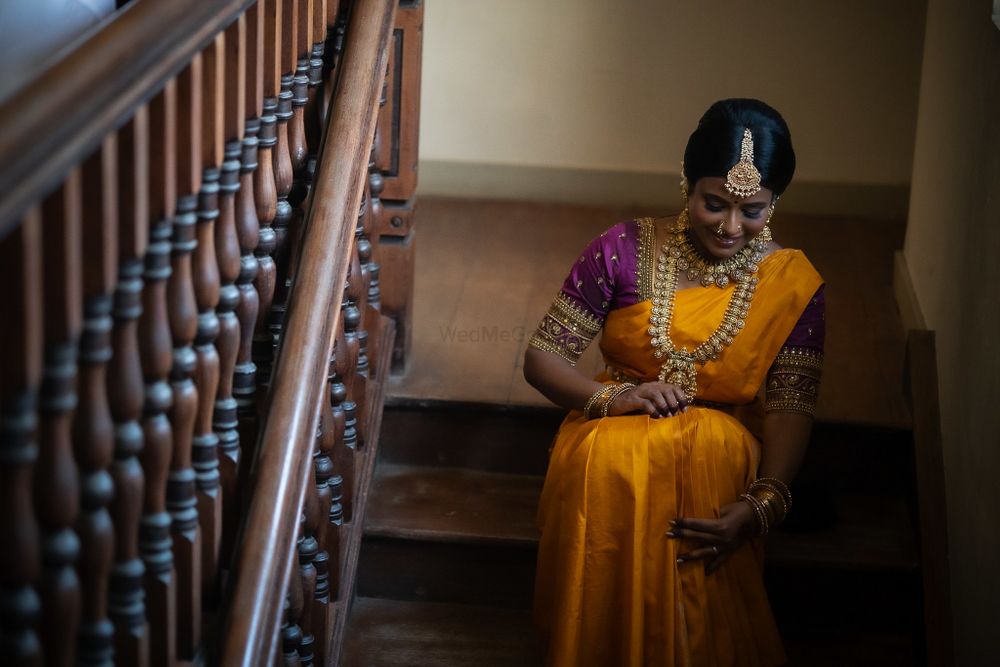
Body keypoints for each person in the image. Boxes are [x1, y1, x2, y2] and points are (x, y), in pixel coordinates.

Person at [524, 98, 825, 666]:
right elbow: (543, 358)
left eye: (753, 211)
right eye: (714, 204)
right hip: (611, 430)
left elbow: (791, 403)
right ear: (686, 184)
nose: (731, 227)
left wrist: (764, 503)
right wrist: (613, 398)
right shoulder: (623, 248)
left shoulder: (791, 283)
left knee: (716, 454)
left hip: (713, 456)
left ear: (774, 203)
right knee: (605, 462)